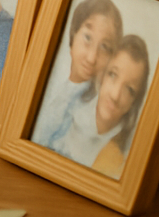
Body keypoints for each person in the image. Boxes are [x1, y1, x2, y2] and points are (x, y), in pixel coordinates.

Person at [41, 35, 150, 179]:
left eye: (129, 89)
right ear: (103, 75)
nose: (115, 95)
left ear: (134, 101)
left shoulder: (129, 152)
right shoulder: (68, 111)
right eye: (113, 74)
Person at [31, 0, 123, 147]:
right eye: (87, 37)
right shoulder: (46, 83)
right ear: (73, 33)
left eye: (104, 47)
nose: (92, 58)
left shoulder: (97, 113)